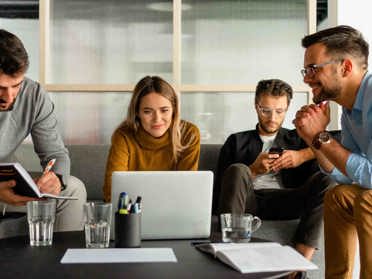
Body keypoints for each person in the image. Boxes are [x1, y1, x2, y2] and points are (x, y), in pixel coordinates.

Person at [215, 79, 334, 265]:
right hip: (249, 202)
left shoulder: (298, 138)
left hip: (289, 199)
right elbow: (219, 191)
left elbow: (339, 142)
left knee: (327, 180)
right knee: (238, 169)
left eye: (279, 111)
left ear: (287, 109)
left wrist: (301, 156)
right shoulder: (236, 141)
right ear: (256, 107)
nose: (272, 118)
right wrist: (253, 170)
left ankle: (299, 263)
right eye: (266, 111)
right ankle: (233, 252)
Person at [293, 25, 372, 279]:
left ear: (345, 67)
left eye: (314, 69)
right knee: (339, 197)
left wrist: (322, 137)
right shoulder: (350, 109)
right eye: (306, 70)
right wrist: (314, 141)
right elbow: (348, 175)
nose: (306, 78)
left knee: (368, 199)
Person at [0, 29, 86, 233]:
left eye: (16, 85)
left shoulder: (34, 95)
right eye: (1, 87)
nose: (10, 96)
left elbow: (56, 154)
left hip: (6, 184)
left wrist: (55, 178)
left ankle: (59, 264)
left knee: (73, 187)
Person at [103, 75, 200, 202]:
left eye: (164, 110)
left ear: (174, 110)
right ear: (137, 112)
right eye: (148, 112)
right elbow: (112, 191)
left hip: (175, 208)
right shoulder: (124, 135)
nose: (157, 119)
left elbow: (187, 188)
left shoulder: (189, 134)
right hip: (132, 212)